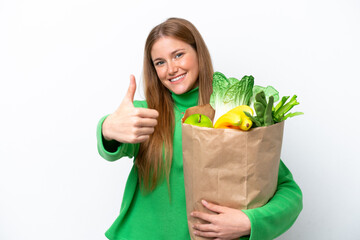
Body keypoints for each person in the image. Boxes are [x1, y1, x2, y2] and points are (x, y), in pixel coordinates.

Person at [97, 17, 303, 240]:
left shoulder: (234, 115)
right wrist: (107, 128)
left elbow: (288, 192)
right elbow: (114, 139)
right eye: (159, 62)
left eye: (178, 55)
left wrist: (248, 222)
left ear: (198, 53)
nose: (171, 69)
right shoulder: (147, 116)